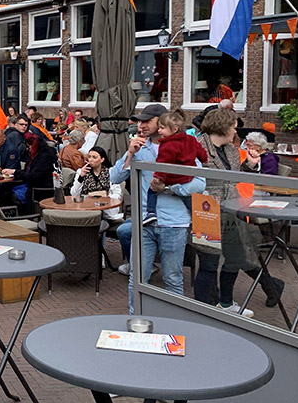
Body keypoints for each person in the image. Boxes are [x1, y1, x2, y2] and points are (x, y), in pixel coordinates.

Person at [109, 103, 206, 313]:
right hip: (143, 222)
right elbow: (114, 177)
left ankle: (174, 324)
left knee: (172, 277)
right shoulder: (139, 147)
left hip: (174, 222)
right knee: (137, 277)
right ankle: (137, 321)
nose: (141, 125)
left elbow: (200, 182)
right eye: (139, 121)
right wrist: (129, 154)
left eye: (146, 121)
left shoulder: (183, 146)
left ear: (162, 122)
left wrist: (171, 188)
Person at [193, 107, 281, 315]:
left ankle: (226, 302)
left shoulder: (232, 150)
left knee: (235, 257)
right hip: (206, 209)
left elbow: (235, 177)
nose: (236, 132)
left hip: (231, 208)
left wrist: (250, 166)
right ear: (222, 127)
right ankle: (204, 308)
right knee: (209, 261)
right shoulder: (197, 147)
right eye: (233, 127)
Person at [143, 110, 208, 225]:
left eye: (162, 128)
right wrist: (204, 159)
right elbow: (201, 152)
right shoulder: (191, 139)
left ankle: (150, 212)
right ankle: (194, 213)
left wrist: (158, 178)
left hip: (173, 177)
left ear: (175, 129)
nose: (159, 131)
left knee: (151, 190)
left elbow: (162, 163)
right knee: (187, 196)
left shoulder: (167, 145)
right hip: (188, 176)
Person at [6, 131, 57, 211]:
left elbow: (34, 176)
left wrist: (15, 172)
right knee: (4, 190)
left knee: (9, 195)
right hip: (32, 184)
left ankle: (23, 214)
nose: (27, 149)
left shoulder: (44, 158)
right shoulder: (38, 155)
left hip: (39, 188)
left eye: (29, 146)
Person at [70, 146, 123, 222]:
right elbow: (74, 194)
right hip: (87, 208)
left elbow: (117, 194)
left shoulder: (110, 172)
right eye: (89, 157)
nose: (90, 160)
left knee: (102, 220)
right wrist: (81, 177)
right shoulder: (81, 171)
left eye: (94, 157)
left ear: (102, 159)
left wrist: (105, 199)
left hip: (106, 208)